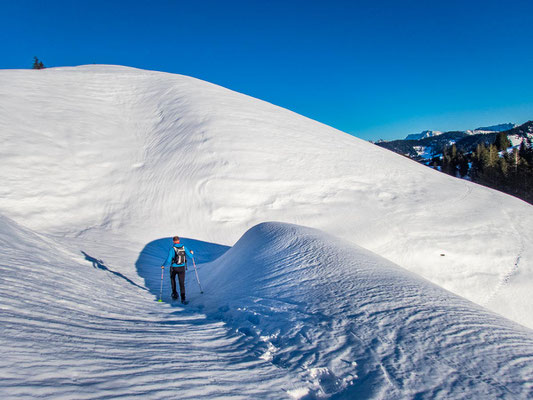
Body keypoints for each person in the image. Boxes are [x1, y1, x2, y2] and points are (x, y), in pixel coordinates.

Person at [161, 236, 194, 304]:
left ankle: (174, 294)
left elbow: (168, 259)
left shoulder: (172, 249)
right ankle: (183, 299)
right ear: (179, 240)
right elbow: (191, 256)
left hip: (174, 268)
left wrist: (163, 265)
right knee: (182, 283)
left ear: (173, 241)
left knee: (173, 280)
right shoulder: (184, 247)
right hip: (182, 268)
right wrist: (191, 253)